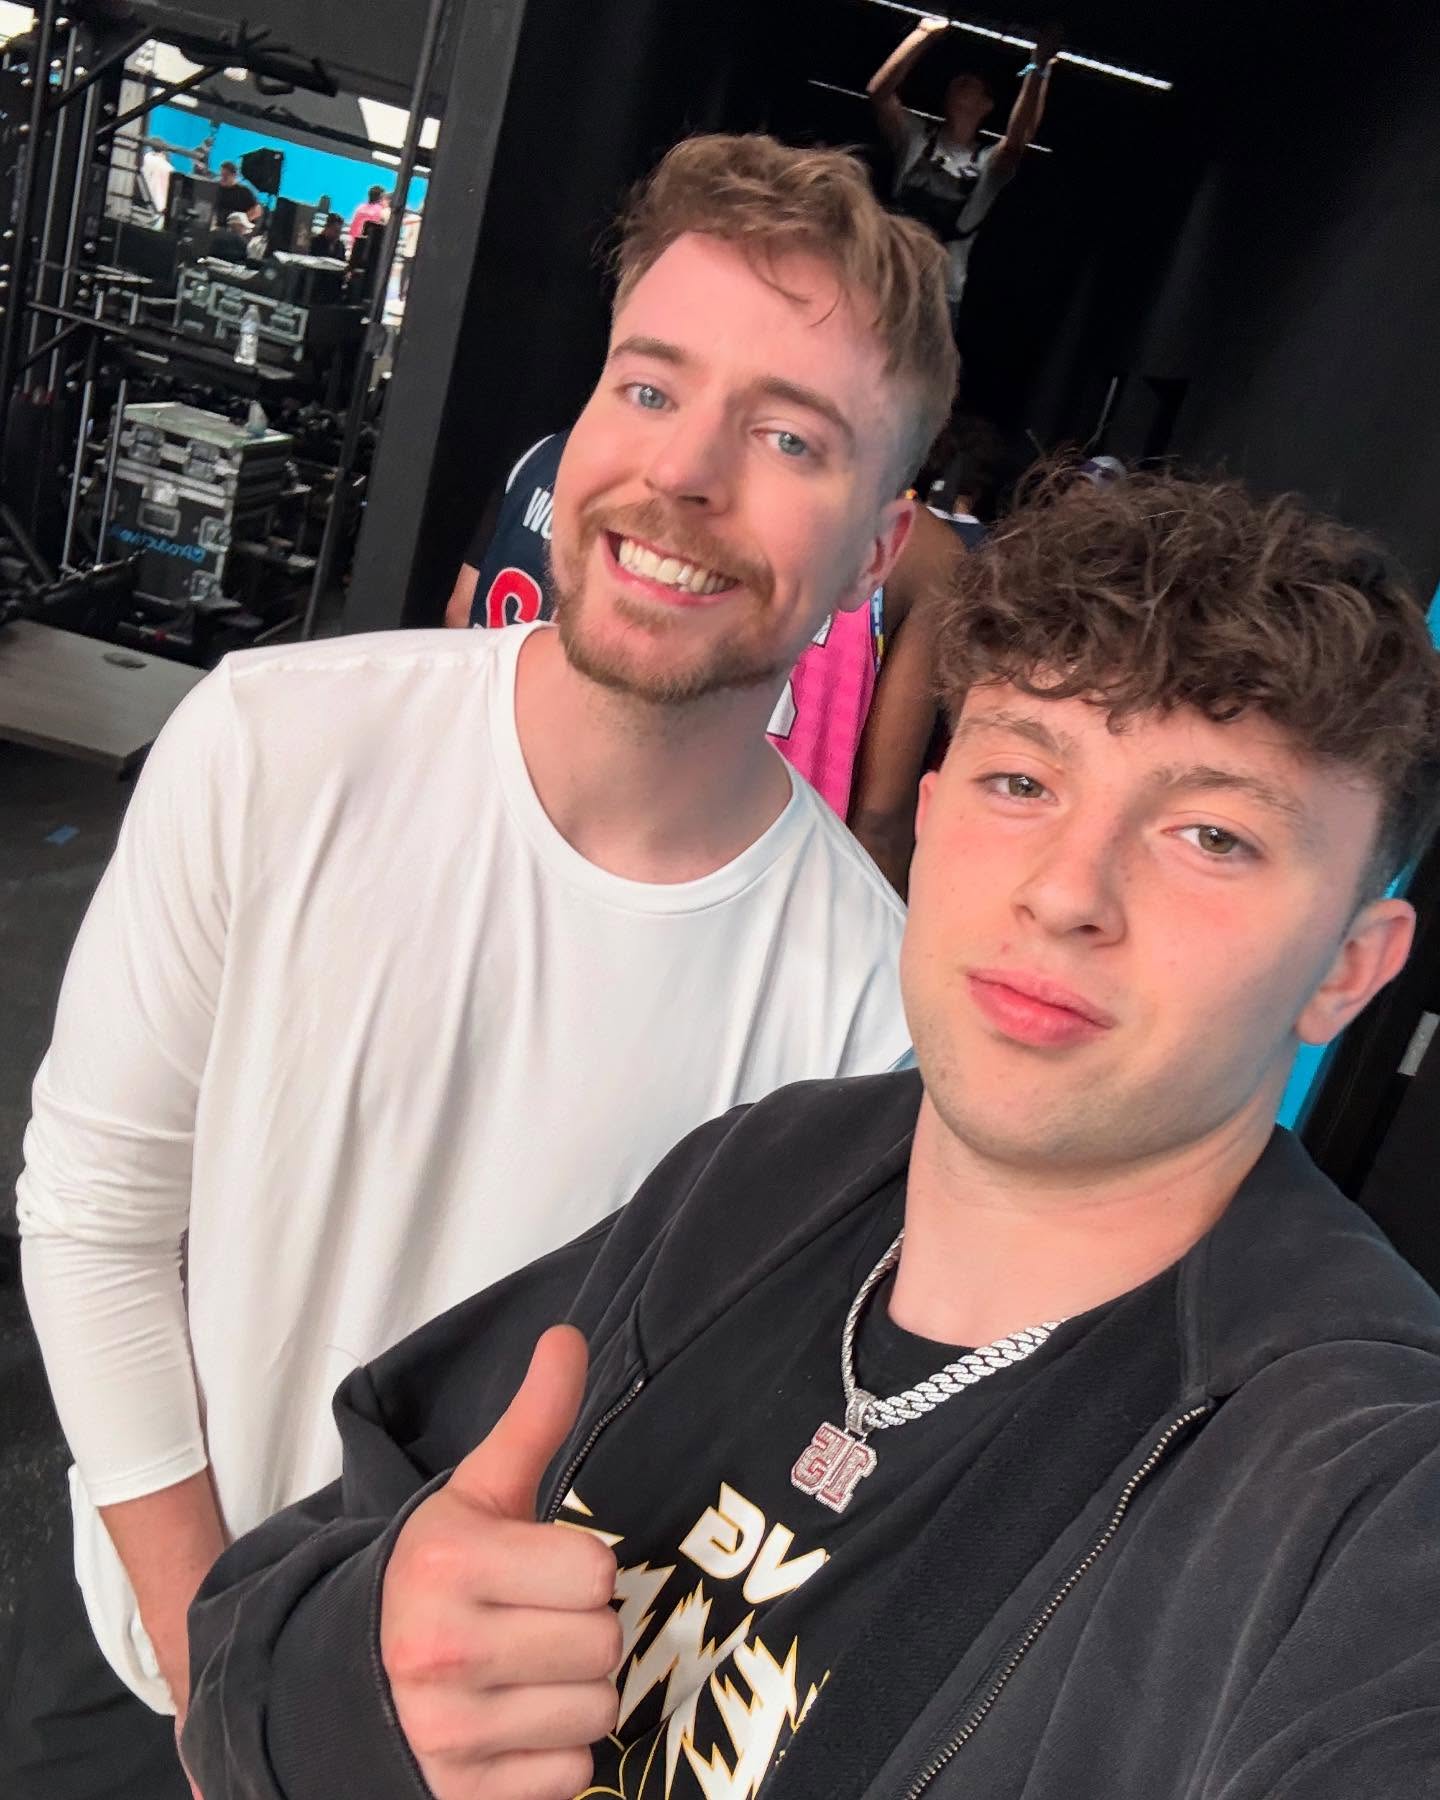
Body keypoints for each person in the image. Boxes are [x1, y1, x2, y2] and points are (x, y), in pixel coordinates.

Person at [181, 468, 1440, 1800]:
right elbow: (244, 1651)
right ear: (936, 812)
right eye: (1023, 778)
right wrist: (371, 1690)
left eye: (1211, 835)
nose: (1069, 888)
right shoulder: (765, 1174)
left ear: (1349, 968)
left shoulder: (1362, 1500)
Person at [3, 133, 951, 1799]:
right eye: (648, 389)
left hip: (487, 1763)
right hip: (147, 1657)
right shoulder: (276, 745)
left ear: (877, 554)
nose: (686, 474)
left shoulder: (873, 1006)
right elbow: (92, 1216)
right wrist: (228, 1691)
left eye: (790, 436)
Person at [869, 16, 1062, 327]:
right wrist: (923, 34)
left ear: (986, 105)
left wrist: (1039, 67)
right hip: (886, 281)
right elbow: (880, 92)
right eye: (957, 81)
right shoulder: (917, 137)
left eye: (970, 84)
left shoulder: (986, 163)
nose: (959, 83)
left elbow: (1017, 139)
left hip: (939, 298)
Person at [212, 160, 261, 226]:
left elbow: (257, 210)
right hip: (216, 224)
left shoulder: (244, 191)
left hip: (234, 228)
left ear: (234, 175)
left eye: (226, 175)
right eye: (222, 174)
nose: (223, 178)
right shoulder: (215, 187)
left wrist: (243, 221)